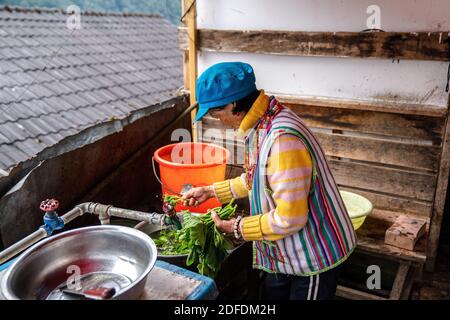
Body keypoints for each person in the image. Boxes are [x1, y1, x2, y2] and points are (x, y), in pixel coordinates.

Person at [182, 61, 357, 300]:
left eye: (216, 113)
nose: (217, 120)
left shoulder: (282, 140)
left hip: (312, 255)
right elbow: (258, 178)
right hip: (284, 253)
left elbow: (289, 218)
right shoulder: (264, 121)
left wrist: (238, 228)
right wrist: (211, 191)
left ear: (234, 105)